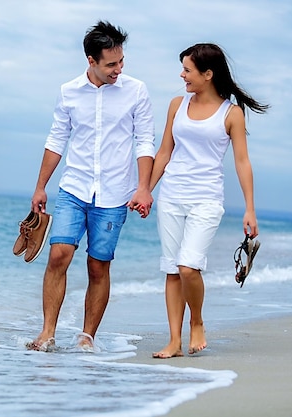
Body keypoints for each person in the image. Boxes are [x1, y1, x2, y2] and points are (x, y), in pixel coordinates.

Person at [27, 20, 155, 351]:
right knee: (59, 254)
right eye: (111, 64)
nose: (118, 69)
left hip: (115, 192)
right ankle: (47, 333)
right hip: (74, 187)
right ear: (91, 60)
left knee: (98, 265)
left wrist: (143, 187)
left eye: (121, 61)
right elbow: (57, 139)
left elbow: (144, 141)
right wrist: (41, 186)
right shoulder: (69, 91)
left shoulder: (136, 90)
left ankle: (87, 337)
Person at [147, 43, 268, 358]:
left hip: (206, 199)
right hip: (172, 195)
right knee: (172, 270)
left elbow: (242, 162)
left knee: (189, 267)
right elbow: (164, 152)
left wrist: (250, 209)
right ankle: (174, 341)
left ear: (208, 74)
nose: (182, 75)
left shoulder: (232, 114)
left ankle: (196, 322)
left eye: (188, 70)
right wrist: (145, 189)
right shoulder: (177, 104)